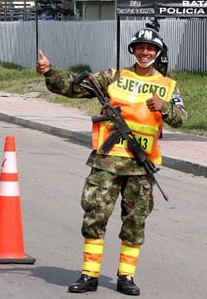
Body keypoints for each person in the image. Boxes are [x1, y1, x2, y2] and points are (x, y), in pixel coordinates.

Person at [35, 27, 187, 296]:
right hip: (107, 161)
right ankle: (89, 275)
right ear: (133, 50)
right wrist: (49, 71)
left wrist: (163, 107)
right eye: (140, 47)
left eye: (150, 48)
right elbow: (74, 86)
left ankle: (126, 276)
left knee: (135, 222)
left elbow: (182, 117)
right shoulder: (113, 77)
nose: (145, 52)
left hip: (141, 166)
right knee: (95, 216)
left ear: (158, 53)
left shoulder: (168, 86)